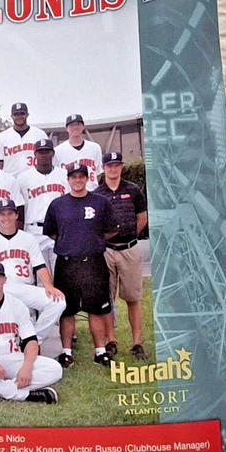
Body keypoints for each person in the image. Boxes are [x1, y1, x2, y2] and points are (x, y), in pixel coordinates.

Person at [43, 164, 118, 368]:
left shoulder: (100, 202)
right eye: (73, 177)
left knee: (97, 308)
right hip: (67, 264)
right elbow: (52, 232)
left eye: (81, 176)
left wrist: (90, 241)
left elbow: (110, 230)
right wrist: (71, 242)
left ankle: (100, 351)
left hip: (93, 262)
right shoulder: (58, 204)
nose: (77, 180)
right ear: (68, 179)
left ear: (87, 178)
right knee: (67, 310)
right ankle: (66, 352)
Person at [0, 261, 62, 404]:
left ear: (5, 279)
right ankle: (23, 394)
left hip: (12, 358)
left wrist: (27, 367)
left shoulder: (17, 304)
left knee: (55, 369)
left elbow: (31, 340)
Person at [0, 200, 67, 345]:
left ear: (16, 215)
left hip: (24, 288)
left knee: (58, 302)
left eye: (10, 213)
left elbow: (40, 266)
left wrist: (49, 286)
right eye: (2, 214)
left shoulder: (28, 239)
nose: (6, 218)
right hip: (2, 288)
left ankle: (34, 339)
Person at [94, 151, 149, 360]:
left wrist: (129, 236)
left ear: (122, 167)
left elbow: (142, 217)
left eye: (117, 165)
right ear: (103, 168)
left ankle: (137, 343)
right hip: (106, 250)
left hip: (129, 249)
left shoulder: (133, 190)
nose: (113, 169)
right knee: (107, 298)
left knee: (133, 297)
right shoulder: (98, 194)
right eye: (109, 166)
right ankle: (111, 341)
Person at [17, 139, 68, 272]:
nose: (44, 154)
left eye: (47, 151)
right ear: (35, 154)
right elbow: (20, 208)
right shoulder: (23, 178)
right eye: (40, 152)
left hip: (58, 230)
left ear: (52, 153)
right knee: (39, 277)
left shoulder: (64, 175)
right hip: (34, 230)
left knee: (60, 274)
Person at [0, 102, 48, 177]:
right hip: (11, 178)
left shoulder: (40, 134)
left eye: (22, 113)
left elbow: (47, 159)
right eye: (16, 114)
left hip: (34, 178)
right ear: (12, 116)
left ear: (27, 115)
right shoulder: (2, 137)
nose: (19, 116)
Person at [54, 114, 103, 190]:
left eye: (78, 124)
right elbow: (57, 176)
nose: (75, 127)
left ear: (83, 126)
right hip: (68, 194)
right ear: (66, 128)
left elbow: (98, 174)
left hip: (91, 192)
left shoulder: (95, 148)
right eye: (72, 125)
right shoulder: (58, 151)